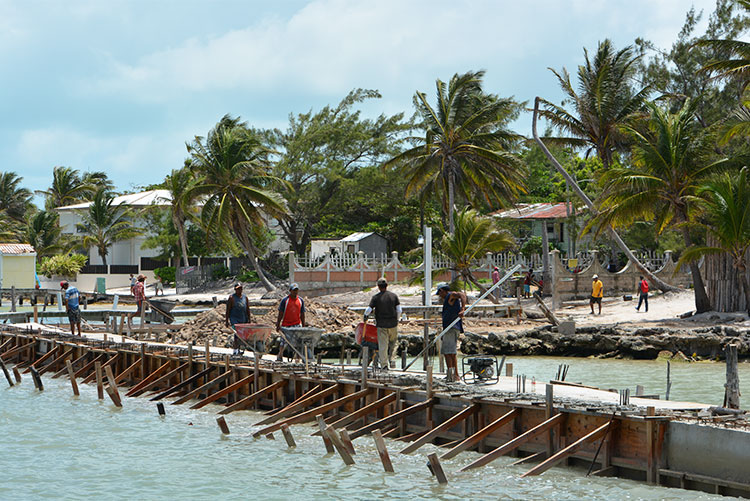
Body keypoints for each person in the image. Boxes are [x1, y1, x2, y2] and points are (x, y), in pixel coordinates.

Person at [363, 278, 402, 371]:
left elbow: (368, 310)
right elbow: (399, 310)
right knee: (393, 343)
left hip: (382, 325)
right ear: (387, 285)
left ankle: (384, 366)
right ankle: (392, 360)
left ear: (378, 287)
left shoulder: (376, 298)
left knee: (383, 345)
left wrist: (365, 316)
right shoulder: (394, 296)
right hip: (393, 324)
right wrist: (396, 320)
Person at [436, 283, 467, 382]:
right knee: (451, 352)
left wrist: (463, 309)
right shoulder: (448, 299)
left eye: (439, 293)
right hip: (449, 328)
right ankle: (454, 374)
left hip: (451, 327)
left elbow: (462, 295)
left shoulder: (450, 295)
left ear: (442, 290)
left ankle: (453, 375)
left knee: (447, 352)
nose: (440, 296)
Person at [275, 283, 306, 361]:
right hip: (286, 325)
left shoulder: (300, 300)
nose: (295, 292)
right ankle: (280, 355)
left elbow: (302, 314)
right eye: (293, 290)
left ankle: (298, 358)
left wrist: (303, 325)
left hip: (296, 324)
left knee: (299, 342)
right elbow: (280, 313)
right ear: (290, 291)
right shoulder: (285, 300)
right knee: (283, 342)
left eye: (296, 290)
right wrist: (278, 324)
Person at [225, 283, 252, 355]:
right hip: (235, 320)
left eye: (240, 289)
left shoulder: (245, 298)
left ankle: (240, 349)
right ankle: (235, 350)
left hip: (243, 319)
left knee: (243, 335)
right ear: (235, 290)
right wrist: (227, 321)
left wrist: (249, 319)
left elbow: (247, 309)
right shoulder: (232, 298)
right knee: (236, 335)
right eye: (237, 289)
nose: (239, 290)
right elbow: (228, 310)